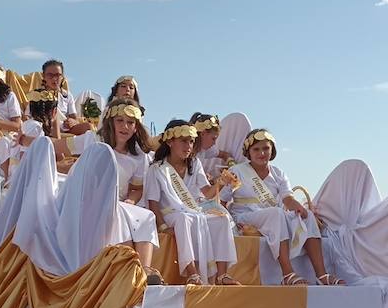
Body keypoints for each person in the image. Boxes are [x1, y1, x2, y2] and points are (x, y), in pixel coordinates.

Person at [221, 129, 345, 286]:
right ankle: (287, 274)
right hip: (245, 216)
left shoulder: (278, 173)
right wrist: (231, 224)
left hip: (273, 215)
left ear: (272, 150)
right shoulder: (236, 171)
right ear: (248, 152)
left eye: (266, 148)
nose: (262, 153)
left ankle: (321, 275)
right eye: (256, 149)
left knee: (307, 216)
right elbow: (222, 202)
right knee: (277, 213)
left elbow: (287, 198)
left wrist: (300, 208)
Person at [63, 98, 163, 284]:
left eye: (130, 122)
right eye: (120, 120)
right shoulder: (93, 140)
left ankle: (144, 272)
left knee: (146, 216)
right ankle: (125, 274)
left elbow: (136, 189)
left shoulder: (139, 155)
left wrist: (131, 201)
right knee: (118, 215)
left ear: (136, 126)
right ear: (110, 121)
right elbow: (59, 147)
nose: (125, 126)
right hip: (88, 202)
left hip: (119, 203)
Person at [144, 121, 241, 285]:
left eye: (191, 141)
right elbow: (153, 202)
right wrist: (162, 227)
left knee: (221, 220)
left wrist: (221, 183)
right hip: (171, 214)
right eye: (183, 141)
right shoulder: (157, 168)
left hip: (194, 212)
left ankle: (222, 275)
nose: (188, 146)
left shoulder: (195, 164)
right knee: (183, 219)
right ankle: (193, 274)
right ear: (170, 142)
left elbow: (207, 194)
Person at [40, 59, 92, 135]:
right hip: (46, 127)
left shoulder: (67, 95)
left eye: (57, 75)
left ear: (62, 76)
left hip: (64, 127)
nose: (54, 79)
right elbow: (27, 117)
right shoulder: (37, 95)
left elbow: (73, 117)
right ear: (44, 76)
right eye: (50, 75)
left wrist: (72, 122)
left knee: (88, 127)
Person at [190, 112, 233, 179]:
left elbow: (225, 155)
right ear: (203, 133)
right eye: (213, 139)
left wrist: (232, 165)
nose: (214, 143)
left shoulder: (206, 149)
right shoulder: (186, 151)